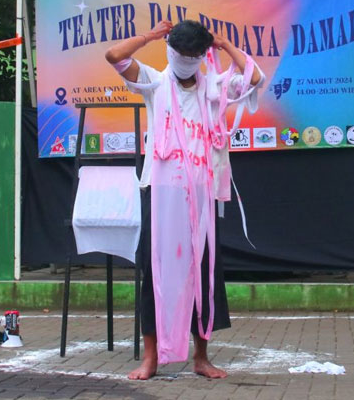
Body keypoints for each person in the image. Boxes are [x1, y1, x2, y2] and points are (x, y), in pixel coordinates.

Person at [105, 19, 263, 380]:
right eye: (182, 55)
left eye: (195, 55)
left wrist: (223, 45)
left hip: (202, 196)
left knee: (204, 274)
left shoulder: (215, 88)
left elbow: (253, 79)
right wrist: (152, 36)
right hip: (162, 195)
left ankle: (201, 357)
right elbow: (114, 55)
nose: (188, 62)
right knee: (156, 273)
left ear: (202, 55)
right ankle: (151, 358)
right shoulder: (154, 82)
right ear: (171, 52)